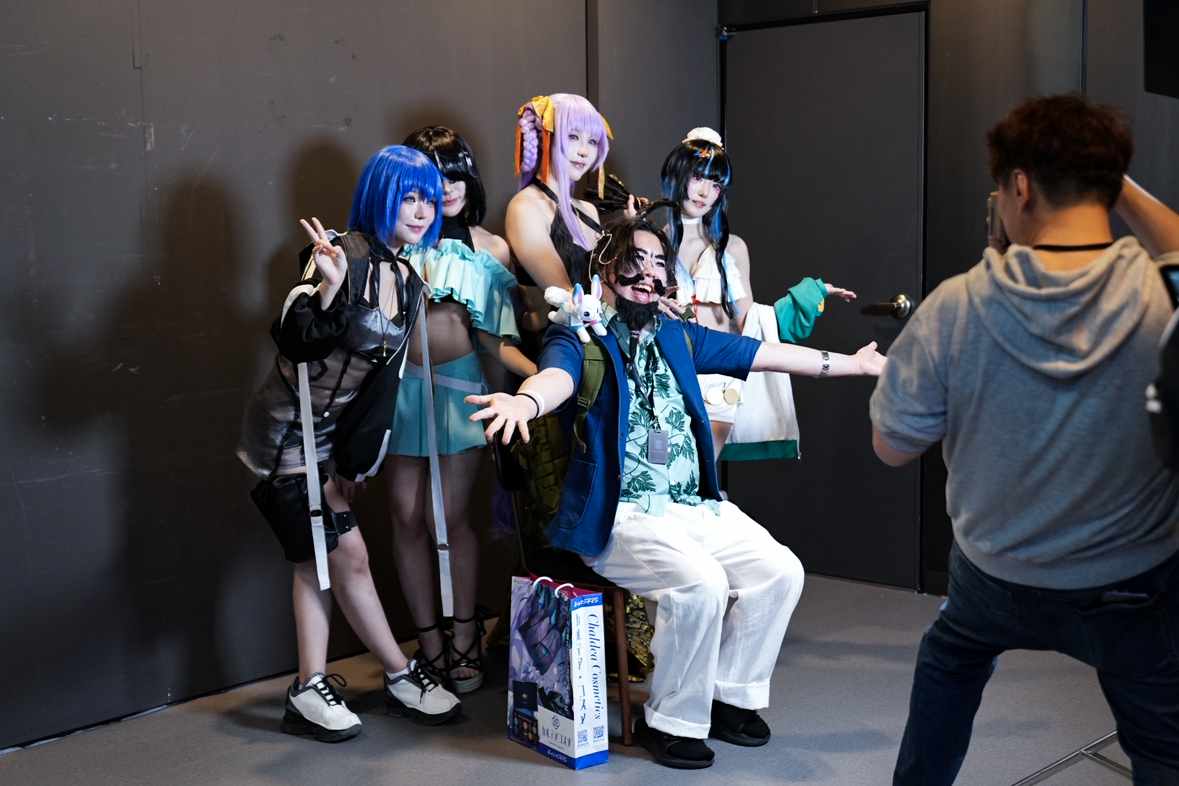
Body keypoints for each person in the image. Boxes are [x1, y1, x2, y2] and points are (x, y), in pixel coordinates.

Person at [467, 215, 885, 769]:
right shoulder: (580, 336)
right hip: (621, 515)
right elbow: (557, 377)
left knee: (781, 572)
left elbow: (763, 354)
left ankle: (730, 696)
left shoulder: (677, 335)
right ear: (605, 269)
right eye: (634, 261)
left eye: (658, 263)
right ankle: (669, 721)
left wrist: (852, 364)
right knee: (702, 584)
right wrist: (525, 401)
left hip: (692, 507)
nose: (648, 273)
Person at [869, 94, 1179, 784]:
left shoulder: (955, 305)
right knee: (1165, 746)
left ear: (1018, 187)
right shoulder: (1163, 293)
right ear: (1109, 185)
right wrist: (1112, 179)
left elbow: (893, 448)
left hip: (995, 579)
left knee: (949, 658)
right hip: (1128, 585)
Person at [237, 145, 461, 743]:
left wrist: (352, 462)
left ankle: (329, 685)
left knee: (328, 557)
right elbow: (295, 339)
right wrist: (331, 290)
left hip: (328, 438)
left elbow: (380, 386)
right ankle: (384, 675)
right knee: (332, 554)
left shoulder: (408, 280)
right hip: (286, 429)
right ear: (381, 196)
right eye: (408, 197)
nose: (422, 210)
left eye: (428, 199)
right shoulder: (339, 253)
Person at [387, 126, 536, 694]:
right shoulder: (395, 240)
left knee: (448, 520)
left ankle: (467, 637)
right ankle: (429, 644)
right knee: (405, 516)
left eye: (455, 175)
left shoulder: (491, 248)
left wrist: (543, 378)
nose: (446, 188)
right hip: (400, 393)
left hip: (461, 394)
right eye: (433, 177)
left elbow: (496, 341)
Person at [660, 127, 857, 459]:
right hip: (666, 372)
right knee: (662, 474)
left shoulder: (732, 248)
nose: (705, 191)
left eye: (716, 184)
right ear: (677, 175)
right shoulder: (653, 243)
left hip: (718, 375)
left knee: (697, 472)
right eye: (697, 177)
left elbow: (752, 321)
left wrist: (809, 295)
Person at [505, 93, 615, 340]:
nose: (584, 151)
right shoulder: (525, 208)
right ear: (544, 138)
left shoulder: (588, 211)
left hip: (596, 337)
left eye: (592, 141)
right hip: (552, 344)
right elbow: (568, 297)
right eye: (573, 137)